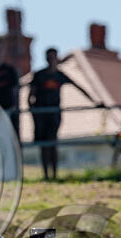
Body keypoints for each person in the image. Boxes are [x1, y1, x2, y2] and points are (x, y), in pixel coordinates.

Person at [30, 47, 99, 180]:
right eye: (49, 58)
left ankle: (54, 175)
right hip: (41, 115)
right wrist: (34, 113)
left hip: (54, 114)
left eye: (53, 57)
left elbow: (79, 87)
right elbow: (30, 95)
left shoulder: (60, 76)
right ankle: (46, 175)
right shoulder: (39, 75)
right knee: (44, 145)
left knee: (52, 142)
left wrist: (95, 101)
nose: (51, 61)